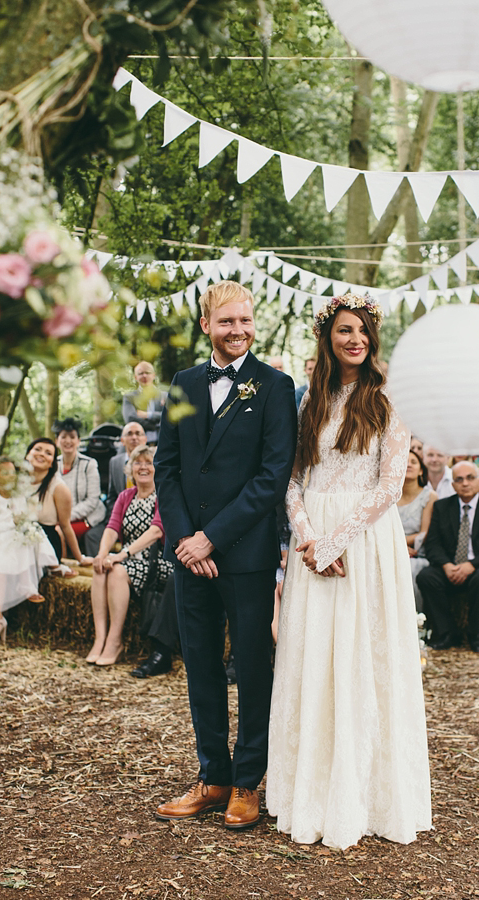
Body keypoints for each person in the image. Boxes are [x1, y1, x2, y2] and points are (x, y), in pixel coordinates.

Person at [267, 292, 431, 850]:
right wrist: (309, 539)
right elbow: (293, 480)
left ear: (372, 336)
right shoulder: (309, 399)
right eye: (343, 330)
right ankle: (309, 789)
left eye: (361, 330)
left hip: (364, 541)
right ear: (328, 338)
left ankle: (366, 794)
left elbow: (389, 485)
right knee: (316, 660)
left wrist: (338, 540)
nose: (353, 338)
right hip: (313, 539)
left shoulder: (389, 398)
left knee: (362, 658)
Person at [153, 280, 296, 830]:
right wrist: (188, 541)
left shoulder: (276, 385)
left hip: (246, 554)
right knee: (202, 669)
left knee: (254, 669)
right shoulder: (185, 382)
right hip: (191, 556)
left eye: (246, 321)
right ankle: (211, 777)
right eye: (227, 322)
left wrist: (212, 537)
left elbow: (272, 475)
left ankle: (246, 783)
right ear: (206, 325)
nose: (238, 331)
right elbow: (167, 467)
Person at [86, 445, 174, 666]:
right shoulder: (126, 495)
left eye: (148, 462)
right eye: (138, 462)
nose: (143, 467)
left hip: (158, 562)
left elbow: (157, 530)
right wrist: (103, 553)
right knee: (100, 569)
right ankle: (100, 639)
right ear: (130, 468)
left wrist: (121, 554)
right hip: (128, 559)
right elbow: (112, 527)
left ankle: (115, 641)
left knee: (116, 570)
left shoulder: (163, 494)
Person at [417, 461, 479, 654]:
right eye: (459, 479)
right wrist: (446, 565)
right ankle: (447, 632)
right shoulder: (442, 507)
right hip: (452, 567)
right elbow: (433, 545)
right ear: (453, 484)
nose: (465, 483)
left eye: (470, 478)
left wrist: (472, 565)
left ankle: (475, 634)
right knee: (426, 576)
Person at [0, 458, 59, 644]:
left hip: (12, 539)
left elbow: (27, 517)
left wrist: (21, 521)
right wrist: (13, 522)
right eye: (5, 473)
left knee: (26, 534)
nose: (11, 476)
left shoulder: (19, 497)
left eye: (13, 472)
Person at [26, 438, 87, 567]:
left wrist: (80, 558)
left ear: (51, 464)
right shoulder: (14, 481)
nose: (42, 454)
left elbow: (65, 526)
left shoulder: (59, 488)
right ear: (27, 455)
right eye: (37, 449)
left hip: (45, 544)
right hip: (18, 538)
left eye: (48, 453)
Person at [54, 417, 106, 557]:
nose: (68, 441)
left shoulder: (89, 464)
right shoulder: (52, 465)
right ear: (57, 441)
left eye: (72, 437)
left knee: (60, 532)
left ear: (78, 441)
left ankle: (64, 570)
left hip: (88, 517)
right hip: (60, 518)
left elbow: (92, 500)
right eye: (63, 437)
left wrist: (64, 517)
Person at [397, 449, 437, 613]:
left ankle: (417, 621)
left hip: (417, 553)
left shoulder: (429, 497)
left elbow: (424, 533)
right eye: (404, 461)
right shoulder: (389, 496)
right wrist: (397, 548)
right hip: (390, 549)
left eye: (413, 462)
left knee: (409, 570)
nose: (408, 465)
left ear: (421, 470)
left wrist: (399, 545)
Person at [106, 422, 147, 515]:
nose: (134, 437)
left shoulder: (155, 461)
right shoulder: (114, 462)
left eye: (138, 433)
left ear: (145, 439)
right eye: (129, 434)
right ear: (122, 441)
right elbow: (112, 497)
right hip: (121, 516)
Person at [122, 361, 168, 444]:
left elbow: (169, 417)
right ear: (135, 377)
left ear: (154, 375)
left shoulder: (165, 396)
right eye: (141, 373)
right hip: (136, 443)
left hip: (163, 441)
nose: (144, 376)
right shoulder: (129, 398)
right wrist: (156, 426)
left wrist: (147, 415)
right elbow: (130, 419)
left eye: (147, 373)